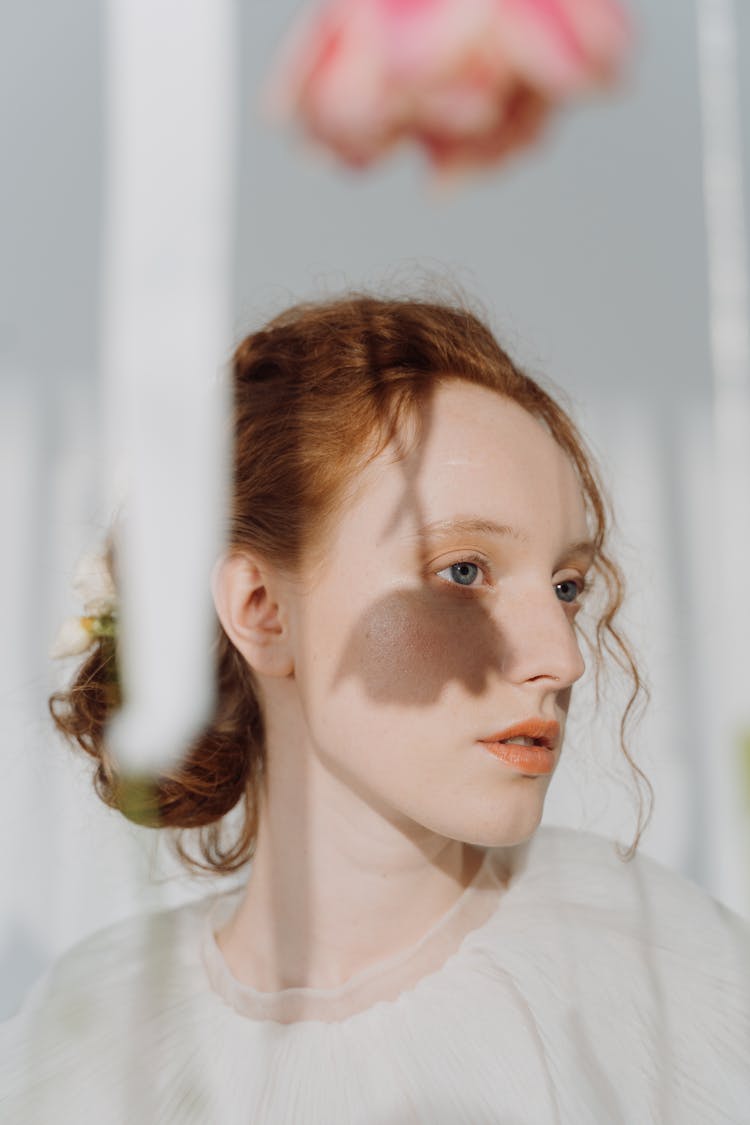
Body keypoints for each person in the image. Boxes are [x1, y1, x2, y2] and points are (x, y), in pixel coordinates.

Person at [2, 294, 749, 1123]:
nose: (561, 656)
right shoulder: (89, 1042)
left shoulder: (659, 979)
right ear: (260, 607)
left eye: (567, 586)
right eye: (464, 571)